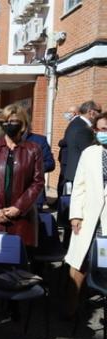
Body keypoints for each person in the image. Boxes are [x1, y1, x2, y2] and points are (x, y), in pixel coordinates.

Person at [0, 104, 45, 249]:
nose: (9, 125)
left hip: (21, 217)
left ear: (23, 124)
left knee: (19, 262)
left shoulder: (33, 149)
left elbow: (38, 182)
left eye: (13, 121)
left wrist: (19, 207)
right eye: (5, 121)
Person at [64, 111, 107, 319]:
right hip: (89, 217)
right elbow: (79, 186)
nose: (103, 133)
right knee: (79, 262)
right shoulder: (89, 153)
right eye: (100, 130)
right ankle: (71, 307)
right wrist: (75, 215)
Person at [63, 100, 102, 184]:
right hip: (81, 175)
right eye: (99, 111)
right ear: (91, 112)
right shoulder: (83, 128)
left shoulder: (76, 123)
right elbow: (89, 152)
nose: (100, 115)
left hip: (75, 172)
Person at [24, 118, 55, 209]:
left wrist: (33, 168)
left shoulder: (39, 140)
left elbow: (50, 163)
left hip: (34, 194)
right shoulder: (4, 141)